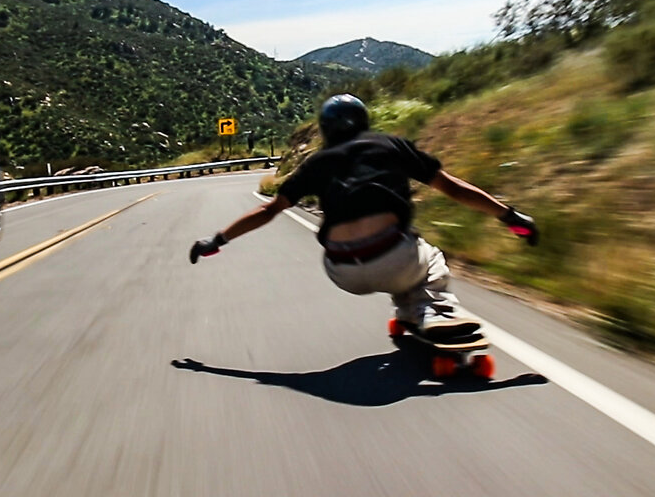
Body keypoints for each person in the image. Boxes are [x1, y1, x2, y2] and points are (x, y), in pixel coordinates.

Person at [188, 94, 538, 340]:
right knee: (428, 258)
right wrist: (510, 216)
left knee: (401, 266)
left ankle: (408, 311)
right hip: (397, 258)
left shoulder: (317, 163)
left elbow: (268, 210)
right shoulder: (393, 146)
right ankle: (436, 311)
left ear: (326, 129)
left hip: (343, 271)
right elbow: (453, 189)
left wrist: (216, 241)